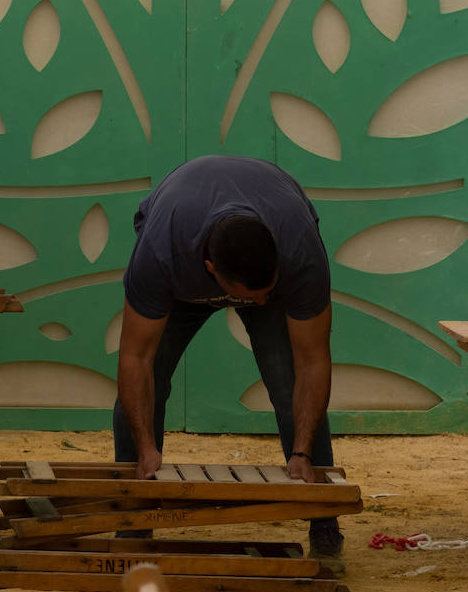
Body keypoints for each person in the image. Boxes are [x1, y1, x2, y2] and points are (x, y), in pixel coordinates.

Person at [112, 154, 343, 571]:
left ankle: (323, 522)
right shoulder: (160, 252)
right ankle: (135, 519)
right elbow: (134, 358)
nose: (254, 303)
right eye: (247, 294)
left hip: (268, 253)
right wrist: (146, 448)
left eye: (264, 292)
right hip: (180, 278)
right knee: (151, 379)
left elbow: (313, 361)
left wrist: (303, 452)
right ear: (210, 269)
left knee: (288, 382)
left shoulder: (298, 248)